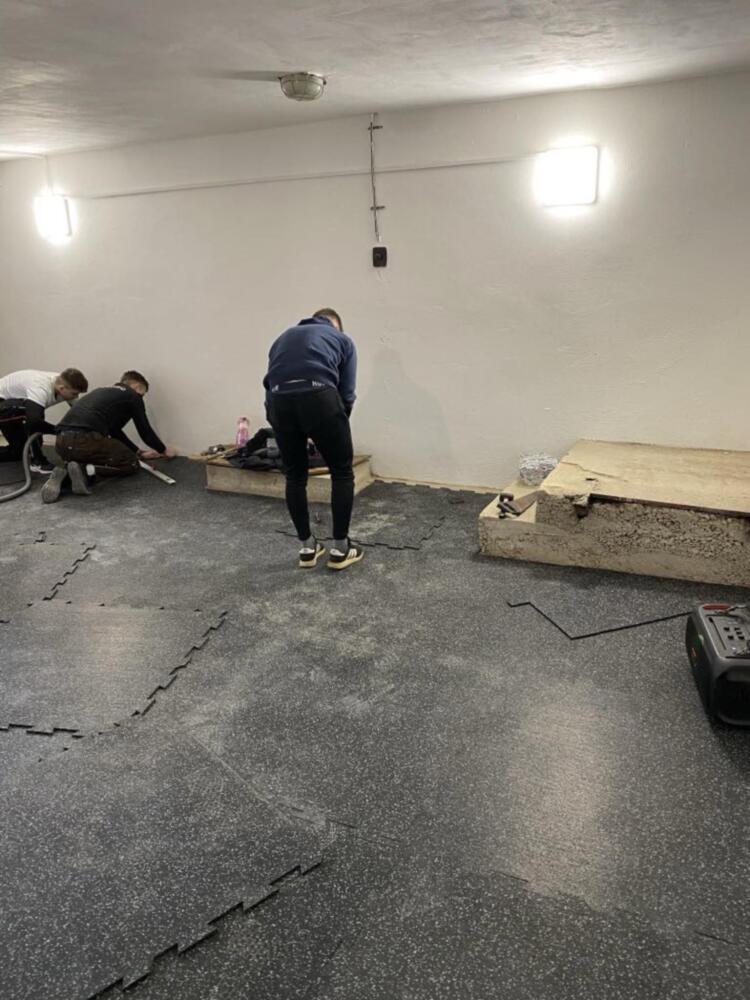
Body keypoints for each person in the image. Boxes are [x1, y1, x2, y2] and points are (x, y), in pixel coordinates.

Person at [264, 307, 363, 571]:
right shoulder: (342, 339)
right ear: (335, 325)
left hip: (279, 402)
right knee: (342, 472)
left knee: (295, 476)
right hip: (321, 397)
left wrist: (279, 422)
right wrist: (335, 426)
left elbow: (269, 383)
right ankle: (341, 549)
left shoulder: (283, 337)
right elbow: (347, 392)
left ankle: (307, 547)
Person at [41, 370, 175, 503]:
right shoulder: (133, 396)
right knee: (132, 464)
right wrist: (163, 450)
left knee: (92, 452)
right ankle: (84, 471)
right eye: (142, 394)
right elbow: (144, 430)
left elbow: (114, 430)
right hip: (85, 441)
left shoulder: (102, 392)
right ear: (137, 387)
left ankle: (66, 473)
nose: (141, 397)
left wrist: (138, 452)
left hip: (61, 442)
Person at [0, 368, 89, 473]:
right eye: (74, 394)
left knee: (19, 452)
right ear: (61, 388)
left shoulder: (64, 383)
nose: (76, 397)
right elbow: (34, 421)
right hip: (4, 404)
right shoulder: (41, 388)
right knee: (31, 416)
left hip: (7, 404)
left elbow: (80, 413)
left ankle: (22, 453)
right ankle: (38, 462)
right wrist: (59, 431)